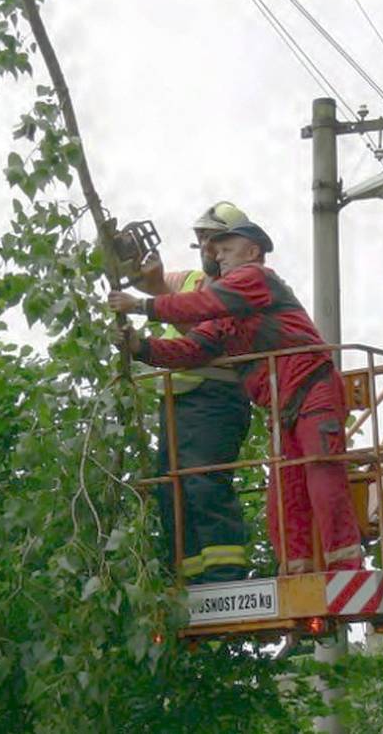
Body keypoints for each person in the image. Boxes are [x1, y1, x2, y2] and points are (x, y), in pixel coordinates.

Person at [109, 221, 363, 574]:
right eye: (216, 251)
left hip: (311, 388)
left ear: (253, 251)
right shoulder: (226, 312)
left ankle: (346, 566)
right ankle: (296, 569)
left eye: (226, 249)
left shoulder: (256, 279)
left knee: (321, 471)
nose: (218, 256)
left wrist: (143, 306)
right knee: (285, 489)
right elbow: (193, 348)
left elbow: (202, 303)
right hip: (281, 404)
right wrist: (141, 347)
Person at [136, 202, 252, 584]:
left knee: (204, 484)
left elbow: (204, 342)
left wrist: (153, 295)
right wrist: (129, 260)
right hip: (180, 403)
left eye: (215, 239)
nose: (207, 247)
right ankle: (187, 576)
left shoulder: (245, 285)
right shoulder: (189, 280)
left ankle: (224, 575)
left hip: (217, 399)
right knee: (173, 492)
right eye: (201, 239)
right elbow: (149, 285)